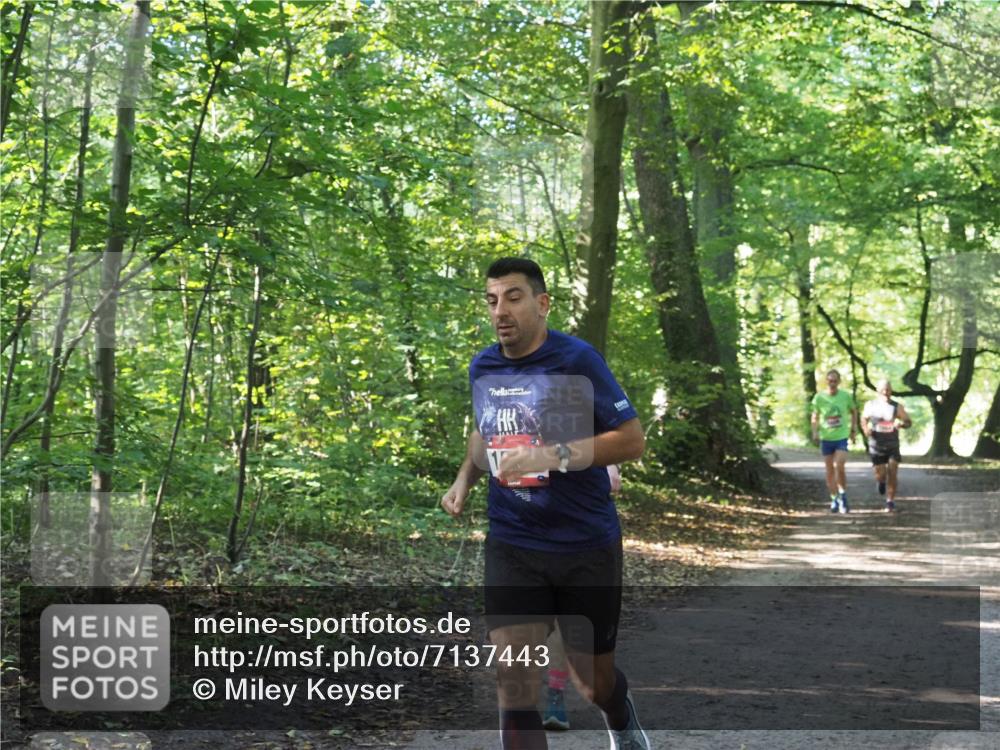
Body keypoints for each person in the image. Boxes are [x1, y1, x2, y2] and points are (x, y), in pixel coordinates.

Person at [441, 258, 650, 750]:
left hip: (585, 543)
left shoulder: (578, 361)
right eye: (492, 301)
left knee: (591, 682)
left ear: (542, 303)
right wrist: (464, 478)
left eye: (513, 297)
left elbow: (631, 440)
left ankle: (620, 717)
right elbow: (484, 428)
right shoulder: (483, 365)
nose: (500, 311)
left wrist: (550, 455)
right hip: (513, 539)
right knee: (514, 679)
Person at [810, 369, 858, 513]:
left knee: (839, 465)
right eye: (830, 380)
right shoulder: (819, 398)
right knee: (830, 470)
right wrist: (815, 431)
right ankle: (833, 498)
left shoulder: (845, 396)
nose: (832, 383)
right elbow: (815, 415)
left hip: (841, 437)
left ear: (839, 382)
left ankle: (843, 496)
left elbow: (854, 411)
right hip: (826, 438)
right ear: (826, 381)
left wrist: (853, 429)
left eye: (835, 381)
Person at [861, 379, 912, 512]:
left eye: (888, 390)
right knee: (881, 473)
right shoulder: (870, 405)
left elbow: (908, 421)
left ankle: (890, 501)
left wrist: (901, 424)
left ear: (891, 391)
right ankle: (881, 481)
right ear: (878, 390)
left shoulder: (896, 406)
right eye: (883, 389)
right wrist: (866, 429)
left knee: (893, 471)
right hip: (876, 444)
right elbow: (864, 420)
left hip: (892, 444)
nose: (886, 392)